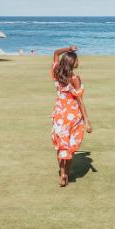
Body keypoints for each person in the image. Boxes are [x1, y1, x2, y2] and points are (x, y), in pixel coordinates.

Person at [50, 46, 91, 187]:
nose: (78, 61)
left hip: (60, 114)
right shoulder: (74, 79)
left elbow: (55, 53)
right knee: (71, 147)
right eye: (76, 59)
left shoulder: (57, 73)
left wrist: (68, 48)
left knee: (61, 146)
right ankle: (65, 173)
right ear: (71, 62)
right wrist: (87, 120)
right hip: (73, 116)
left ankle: (62, 172)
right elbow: (79, 100)